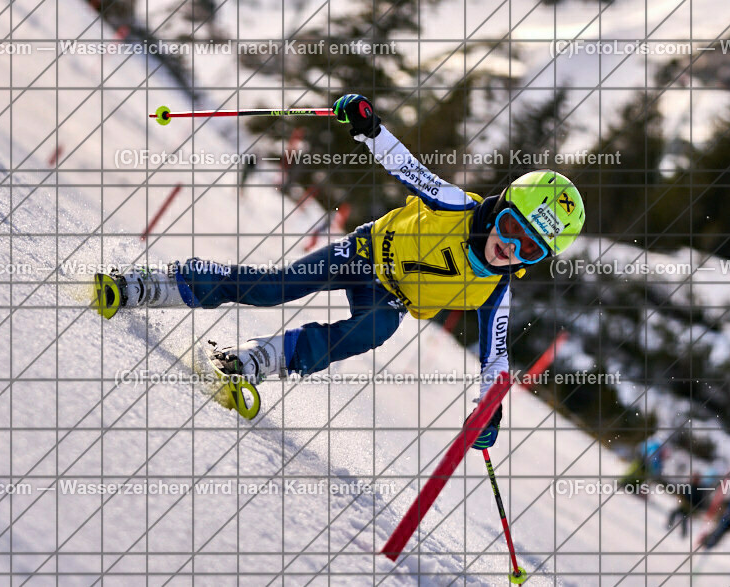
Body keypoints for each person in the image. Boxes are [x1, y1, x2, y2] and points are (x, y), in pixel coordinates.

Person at [95, 94, 586, 446]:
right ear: (500, 207)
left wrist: (489, 410)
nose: (509, 248)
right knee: (271, 289)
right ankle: (157, 283)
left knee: (374, 330)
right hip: (363, 254)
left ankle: (261, 360)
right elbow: (406, 166)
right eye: (511, 228)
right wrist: (369, 127)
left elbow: (494, 360)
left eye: (529, 250)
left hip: (390, 298)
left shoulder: (495, 291)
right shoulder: (456, 205)